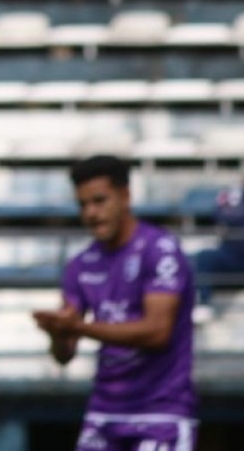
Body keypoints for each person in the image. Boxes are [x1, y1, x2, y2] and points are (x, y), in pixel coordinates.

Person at [32, 154, 198, 451]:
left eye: (99, 201)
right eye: (83, 205)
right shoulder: (80, 264)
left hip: (160, 411)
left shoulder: (160, 251)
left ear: (125, 196)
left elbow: (157, 332)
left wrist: (80, 327)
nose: (91, 213)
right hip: (105, 411)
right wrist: (58, 334)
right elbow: (64, 355)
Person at [192, 181, 244, 322]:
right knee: (203, 257)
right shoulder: (233, 195)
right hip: (231, 255)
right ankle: (203, 304)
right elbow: (223, 215)